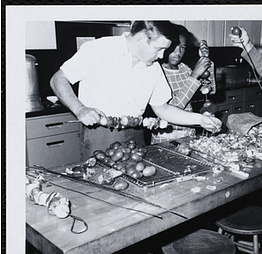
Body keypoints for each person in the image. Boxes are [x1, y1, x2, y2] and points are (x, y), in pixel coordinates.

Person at [50, 21, 222, 160]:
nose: (162, 56)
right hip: (100, 134)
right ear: (141, 39)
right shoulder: (97, 49)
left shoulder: (153, 66)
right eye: (159, 49)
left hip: (137, 133)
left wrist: (200, 119)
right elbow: (58, 79)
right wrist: (80, 109)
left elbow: (163, 109)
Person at [151, 24, 214, 144]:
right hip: (166, 138)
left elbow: (210, 90)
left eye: (182, 47)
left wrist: (206, 63)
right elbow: (171, 110)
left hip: (188, 134)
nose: (178, 52)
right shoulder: (157, 72)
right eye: (174, 47)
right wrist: (194, 76)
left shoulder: (184, 68)